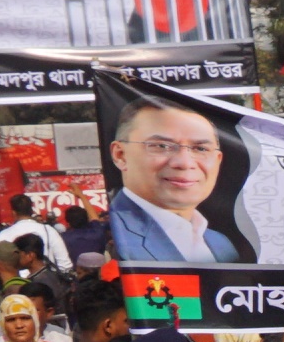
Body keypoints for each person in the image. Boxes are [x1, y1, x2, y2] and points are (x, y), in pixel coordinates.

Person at [103, 102, 244, 264]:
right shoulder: (110, 236)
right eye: (162, 146)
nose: (185, 163)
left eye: (200, 149)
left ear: (218, 160)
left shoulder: (220, 244)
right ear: (120, 155)